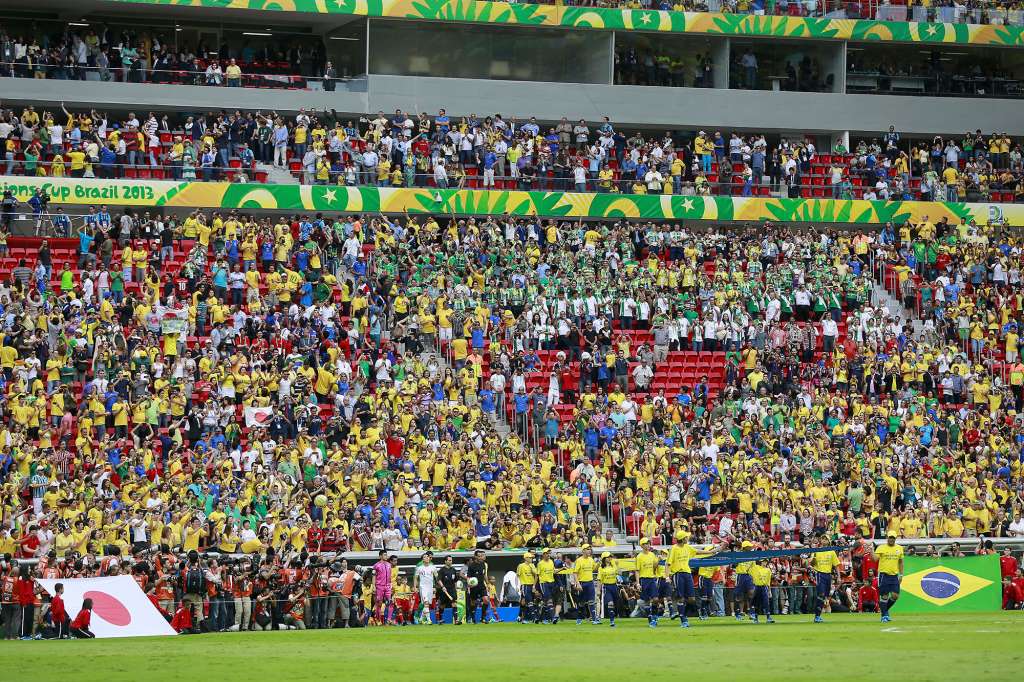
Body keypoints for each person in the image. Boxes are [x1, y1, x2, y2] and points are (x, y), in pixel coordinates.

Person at [666, 529, 724, 628]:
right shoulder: (674, 549)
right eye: (686, 537)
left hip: (687, 574)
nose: (688, 538)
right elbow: (668, 563)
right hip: (678, 574)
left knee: (691, 599)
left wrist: (713, 551)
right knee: (681, 597)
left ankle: (683, 613)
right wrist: (667, 576)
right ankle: (683, 619)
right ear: (683, 539)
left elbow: (698, 552)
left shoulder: (687, 547)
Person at [874, 533, 905, 623]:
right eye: (890, 537)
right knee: (884, 596)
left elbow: (901, 562)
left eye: (893, 538)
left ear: (895, 539)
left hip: (894, 575)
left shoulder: (899, 548)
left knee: (895, 595)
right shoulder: (881, 547)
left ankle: (884, 611)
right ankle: (884, 616)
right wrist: (871, 551)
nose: (891, 539)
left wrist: (901, 574)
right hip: (884, 575)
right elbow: (875, 559)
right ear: (887, 538)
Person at [810, 539, 842, 623]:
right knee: (821, 594)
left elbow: (836, 565)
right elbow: (812, 564)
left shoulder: (831, 551)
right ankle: (817, 616)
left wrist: (839, 577)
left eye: (825, 539)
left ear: (828, 541)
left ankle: (818, 615)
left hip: (828, 575)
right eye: (822, 539)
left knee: (825, 596)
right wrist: (814, 557)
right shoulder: (816, 550)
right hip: (819, 574)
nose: (824, 540)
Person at [636, 537, 662, 627]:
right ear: (642, 545)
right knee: (646, 601)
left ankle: (654, 616)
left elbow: (654, 566)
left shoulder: (652, 554)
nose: (648, 545)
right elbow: (637, 570)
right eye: (646, 544)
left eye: (648, 543)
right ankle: (650, 618)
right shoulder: (639, 556)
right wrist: (638, 583)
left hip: (651, 579)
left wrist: (658, 560)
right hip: (644, 580)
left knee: (655, 599)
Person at [573, 544, 599, 625]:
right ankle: (579, 618)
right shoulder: (579, 560)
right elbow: (575, 573)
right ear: (583, 550)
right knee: (581, 603)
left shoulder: (591, 559)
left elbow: (594, 569)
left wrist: (598, 564)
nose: (589, 551)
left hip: (590, 582)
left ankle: (594, 619)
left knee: (592, 601)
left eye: (590, 549)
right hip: (582, 582)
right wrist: (578, 584)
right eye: (588, 549)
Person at [733, 540, 756, 620]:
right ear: (745, 547)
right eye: (749, 546)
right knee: (739, 595)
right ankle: (738, 613)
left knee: (751, 593)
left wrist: (753, 577)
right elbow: (734, 565)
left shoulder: (752, 556)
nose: (750, 547)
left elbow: (754, 568)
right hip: (740, 576)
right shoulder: (738, 555)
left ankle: (751, 612)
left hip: (749, 576)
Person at [413, 552, 437, 624]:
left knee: (427, 604)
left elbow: (436, 577)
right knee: (426, 603)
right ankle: (429, 620)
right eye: (425, 557)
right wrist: (415, 587)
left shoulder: (433, 567)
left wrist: (435, 586)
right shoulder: (419, 567)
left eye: (428, 557)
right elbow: (415, 578)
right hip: (423, 587)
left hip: (430, 587)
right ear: (422, 559)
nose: (427, 558)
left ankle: (421, 619)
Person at [597, 552, 620, 627]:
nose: (610, 558)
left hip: (614, 586)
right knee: (610, 603)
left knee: (615, 604)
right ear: (604, 559)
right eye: (608, 557)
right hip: (607, 587)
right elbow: (599, 580)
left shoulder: (613, 566)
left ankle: (613, 616)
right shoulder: (601, 568)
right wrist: (598, 590)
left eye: (610, 557)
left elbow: (617, 573)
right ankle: (612, 621)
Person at [535, 548, 556, 624]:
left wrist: (562, 569)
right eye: (547, 553)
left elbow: (554, 571)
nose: (549, 555)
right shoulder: (540, 563)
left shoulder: (551, 561)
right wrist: (534, 586)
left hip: (551, 583)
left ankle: (538, 618)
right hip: (544, 583)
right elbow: (537, 575)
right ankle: (553, 618)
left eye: (549, 553)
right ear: (543, 554)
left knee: (544, 602)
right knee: (549, 600)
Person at [372, 550, 393, 624]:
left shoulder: (389, 565)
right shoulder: (376, 565)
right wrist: (374, 586)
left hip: (387, 586)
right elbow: (374, 576)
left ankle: (389, 619)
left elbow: (390, 576)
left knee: (390, 602)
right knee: (379, 603)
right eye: (384, 555)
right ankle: (378, 620)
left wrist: (391, 585)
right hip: (379, 586)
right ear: (380, 556)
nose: (386, 556)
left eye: (386, 555)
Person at [751, 560, 775, 624]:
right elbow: (750, 566)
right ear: (761, 562)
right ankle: (756, 618)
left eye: (765, 561)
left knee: (766, 602)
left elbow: (768, 581)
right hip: (757, 587)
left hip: (764, 587)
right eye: (763, 561)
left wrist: (769, 591)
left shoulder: (768, 570)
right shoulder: (756, 568)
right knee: (757, 603)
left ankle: (768, 618)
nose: (764, 563)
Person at [516, 552, 536, 624]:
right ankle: (534, 618)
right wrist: (517, 586)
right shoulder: (521, 566)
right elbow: (517, 576)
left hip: (531, 585)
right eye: (530, 557)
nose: (531, 559)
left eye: (531, 558)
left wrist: (534, 586)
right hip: (525, 585)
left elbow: (535, 575)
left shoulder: (532, 565)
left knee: (524, 602)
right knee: (529, 601)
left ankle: (520, 617)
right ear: (525, 558)